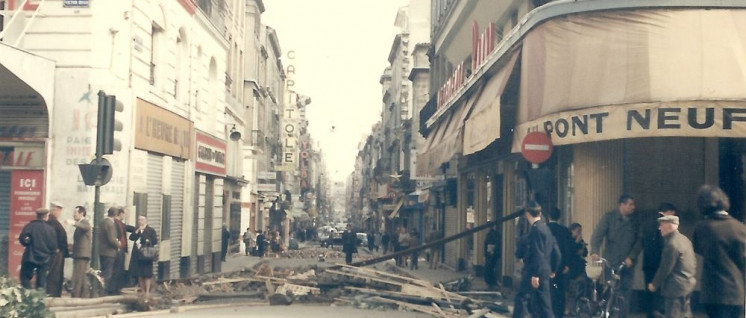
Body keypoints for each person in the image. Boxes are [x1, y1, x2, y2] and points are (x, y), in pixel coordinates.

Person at [692, 185, 746, 318]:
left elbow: (699, 249)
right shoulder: (740, 228)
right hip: (736, 291)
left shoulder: (701, 228)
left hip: (713, 293)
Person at [590, 194, 642, 318]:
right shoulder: (609, 218)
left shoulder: (635, 220)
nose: (633, 207)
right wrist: (594, 251)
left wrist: (632, 256)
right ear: (621, 205)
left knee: (625, 293)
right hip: (611, 261)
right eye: (630, 204)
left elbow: (640, 240)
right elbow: (598, 234)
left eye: (633, 205)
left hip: (627, 263)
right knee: (610, 290)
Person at [513, 200, 561, 318]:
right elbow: (557, 253)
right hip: (545, 271)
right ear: (539, 214)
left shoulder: (536, 231)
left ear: (527, 214)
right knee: (544, 305)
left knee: (521, 298)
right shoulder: (546, 229)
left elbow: (537, 253)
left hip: (533, 271)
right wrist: (553, 269)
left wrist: (535, 275)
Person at [647, 215, 697, 318]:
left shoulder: (671, 244)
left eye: (661, 225)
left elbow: (665, 268)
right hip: (687, 285)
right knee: (685, 315)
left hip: (675, 288)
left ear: (669, 226)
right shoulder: (685, 240)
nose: (659, 228)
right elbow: (693, 262)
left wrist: (654, 284)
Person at [642, 202, 678, 318]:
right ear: (669, 212)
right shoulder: (663, 224)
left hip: (648, 264)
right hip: (659, 264)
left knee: (650, 294)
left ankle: (650, 314)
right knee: (660, 295)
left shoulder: (649, 222)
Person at [19, 208, 58, 290]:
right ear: (46, 216)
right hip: (44, 259)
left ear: (37, 216)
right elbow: (53, 246)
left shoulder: (30, 226)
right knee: (41, 281)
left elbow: (22, 239)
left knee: (25, 277)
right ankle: (38, 298)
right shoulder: (50, 229)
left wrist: (27, 242)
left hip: (30, 257)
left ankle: (28, 295)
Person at [547, 208, 573, 318]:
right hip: (560, 265)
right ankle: (558, 313)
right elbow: (568, 248)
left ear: (548, 217)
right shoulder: (564, 231)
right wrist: (567, 264)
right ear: (559, 217)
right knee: (560, 289)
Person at [129, 215, 158, 297]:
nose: (140, 221)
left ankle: (148, 291)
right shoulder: (136, 229)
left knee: (147, 273)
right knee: (140, 273)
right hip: (138, 254)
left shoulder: (151, 230)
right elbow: (131, 238)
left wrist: (148, 240)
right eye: (139, 220)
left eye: (142, 220)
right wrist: (137, 231)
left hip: (146, 254)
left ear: (146, 221)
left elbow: (155, 240)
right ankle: (142, 290)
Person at [67, 206, 91, 298]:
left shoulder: (85, 222)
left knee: (78, 275)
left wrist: (73, 223)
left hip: (82, 254)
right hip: (80, 254)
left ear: (81, 214)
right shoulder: (82, 223)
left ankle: (76, 295)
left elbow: (85, 227)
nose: (74, 214)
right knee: (81, 276)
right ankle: (84, 295)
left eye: (75, 213)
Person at [46, 202, 69, 297]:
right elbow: (52, 237)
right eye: (58, 210)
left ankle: (54, 292)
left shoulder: (54, 221)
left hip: (59, 251)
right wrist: (56, 248)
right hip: (57, 252)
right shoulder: (52, 222)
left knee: (56, 273)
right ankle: (53, 292)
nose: (59, 212)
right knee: (55, 273)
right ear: (54, 210)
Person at [566, 222, 588, 317]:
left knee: (583, 287)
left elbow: (584, 252)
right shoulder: (568, 240)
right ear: (572, 231)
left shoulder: (581, 241)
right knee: (573, 290)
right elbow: (569, 251)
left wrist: (582, 249)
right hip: (572, 269)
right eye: (578, 231)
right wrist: (576, 244)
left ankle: (581, 308)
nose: (579, 233)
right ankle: (572, 309)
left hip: (580, 268)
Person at [98, 207, 120, 295]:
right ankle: (104, 292)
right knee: (108, 273)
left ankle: (101, 290)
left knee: (103, 272)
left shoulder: (102, 222)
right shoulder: (110, 224)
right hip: (109, 252)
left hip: (102, 251)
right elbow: (112, 239)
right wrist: (118, 244)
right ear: (115, 215)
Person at [110, 207, 133, 295]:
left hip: (122, 248)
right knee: (117, 268)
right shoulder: (115, 223)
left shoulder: (121, 224)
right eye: (124, 214)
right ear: (121, 214)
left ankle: (118, 288)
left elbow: (127, 227)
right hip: (118, 248)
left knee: (120, 269)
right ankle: (114, 289)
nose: (125, 215)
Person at [483, 224, 502, 289]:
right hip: (492, 253)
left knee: (489, 268)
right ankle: (492, 282)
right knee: (489, 268)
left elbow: (494, 244)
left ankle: (492, 282)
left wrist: (491, 251)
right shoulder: (493, 234)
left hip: (492, 254)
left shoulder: (492, 234)